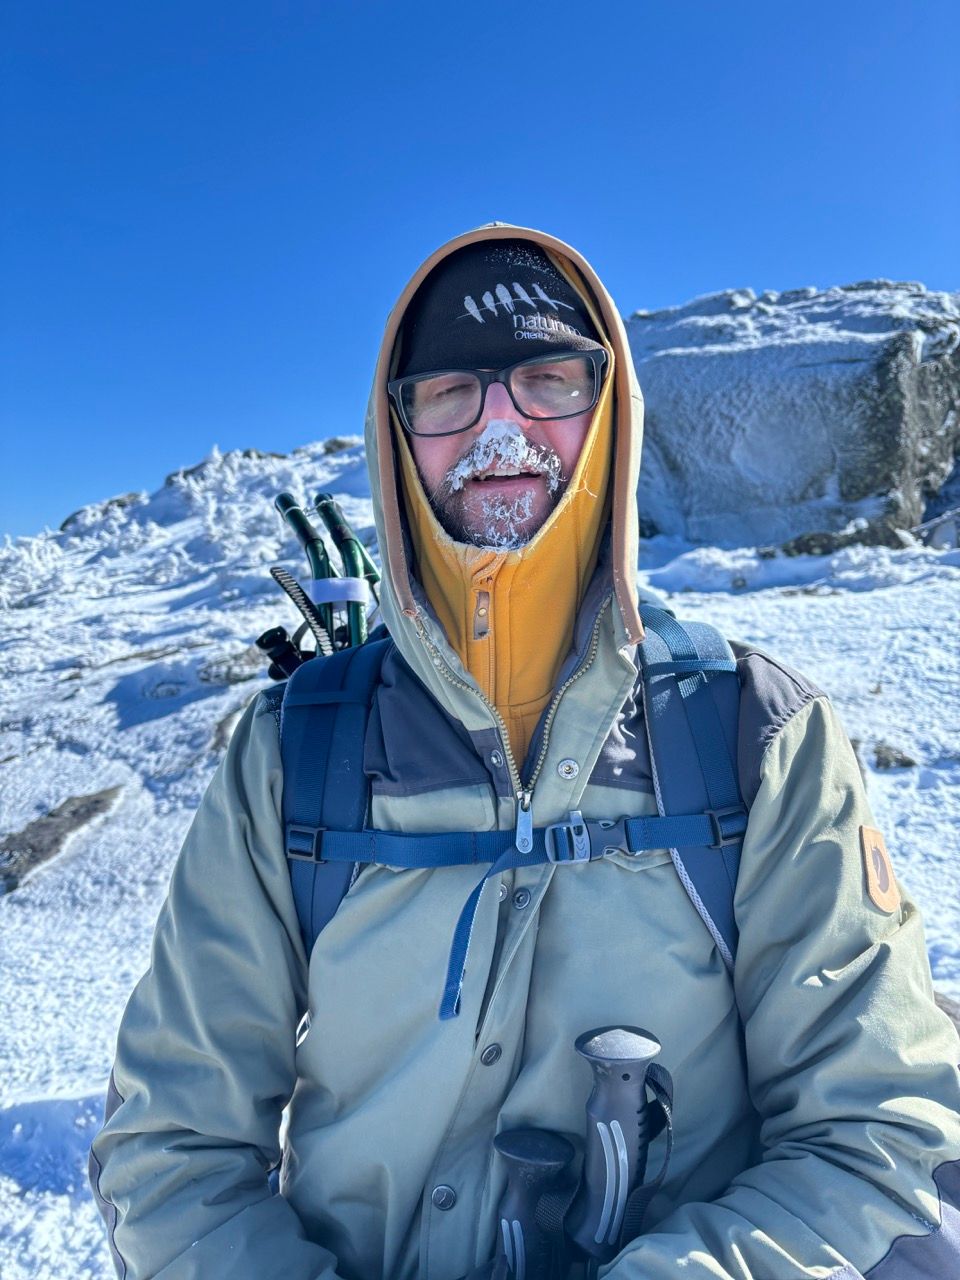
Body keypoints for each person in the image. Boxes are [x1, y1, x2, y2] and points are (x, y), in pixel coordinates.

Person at [90, 223, 960, 1280]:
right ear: (397, 433)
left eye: (548, 379)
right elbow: (171, 1151)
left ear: (610, 417)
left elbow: (876, 1129)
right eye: (450, 393)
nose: (500, 425)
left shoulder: (755, 737)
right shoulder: (289, 756)